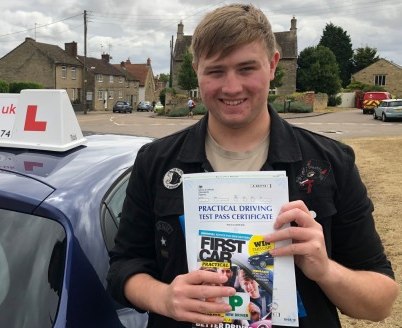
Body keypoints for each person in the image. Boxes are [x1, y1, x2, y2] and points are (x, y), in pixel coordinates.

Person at [107, 3, 398, 328]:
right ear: (196, 68)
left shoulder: (330, 163)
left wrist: (325, 269)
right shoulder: (156, 162)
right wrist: (164, 298)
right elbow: (123, 267)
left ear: (273, 65)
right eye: (216, 71)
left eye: (247, 69)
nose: (232, 87)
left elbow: (380, 302)